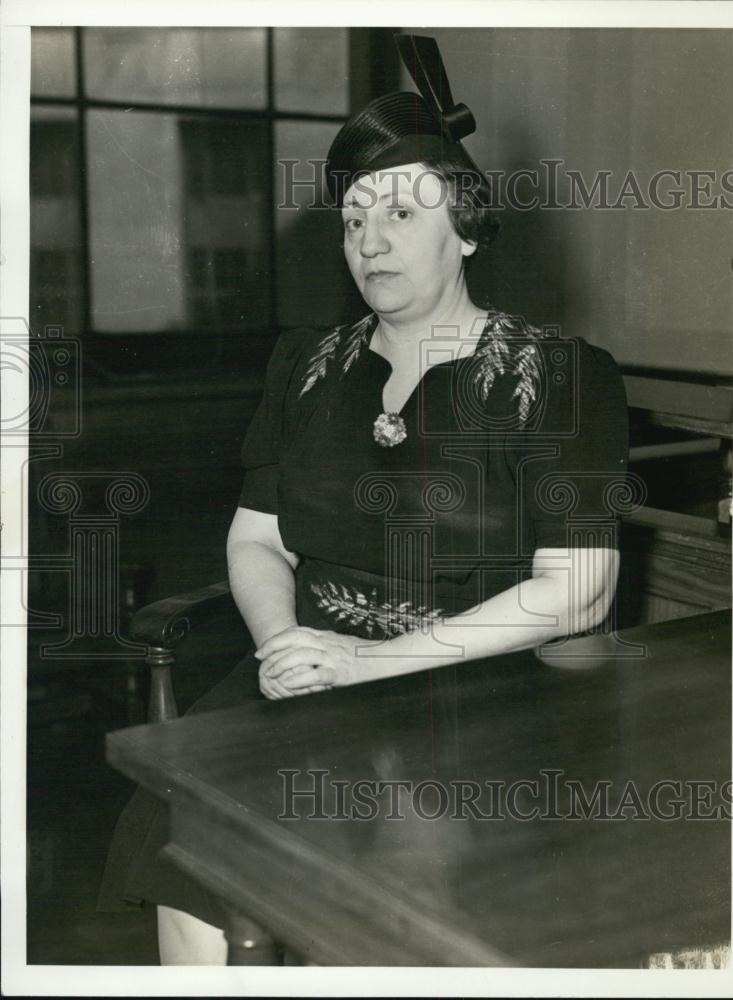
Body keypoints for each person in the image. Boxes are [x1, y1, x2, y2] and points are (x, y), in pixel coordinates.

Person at [97, 34, 629, 964]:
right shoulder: (306, 367)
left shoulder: (559, 375)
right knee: (183, 836)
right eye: (350, 218)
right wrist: (283, 648)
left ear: (464, 227)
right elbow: (257, 540)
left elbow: (578, 588)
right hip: (301, 681)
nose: (368, 241)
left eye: (398, 213)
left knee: (396, 879)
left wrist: (367, 666)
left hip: (475, 699)